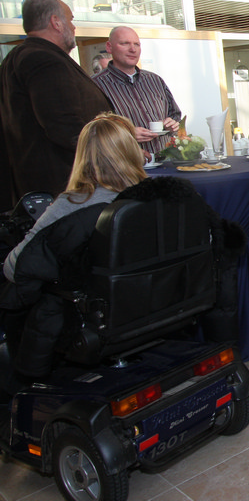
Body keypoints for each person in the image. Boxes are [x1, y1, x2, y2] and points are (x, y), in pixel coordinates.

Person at [1, 114, 146, 380]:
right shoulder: (157, 198)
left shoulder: (72, 205)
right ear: (132, 151)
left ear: (82, 157)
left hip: (87, 319)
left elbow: (16, 268)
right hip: (146, 307)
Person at [0, 0, 112, 211]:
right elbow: (65, 127)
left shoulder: (15, 59)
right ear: (56, 22)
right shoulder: (43, 60)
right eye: (70, 20)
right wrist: (115, 152)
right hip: (63, 190)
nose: (74, 27)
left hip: (39, 189)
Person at [93, 26, 181, 156]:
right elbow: (92, 132)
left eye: (137, 44)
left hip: (165, 160)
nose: (133, 49)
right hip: (127, 164)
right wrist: (126, 134)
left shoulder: (154, 80)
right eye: (125, 43)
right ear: (109, 47)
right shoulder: (95, 85)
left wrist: (172, 124)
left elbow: (175, 115)